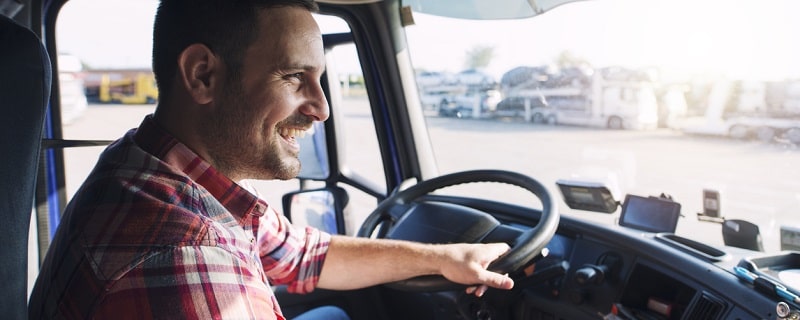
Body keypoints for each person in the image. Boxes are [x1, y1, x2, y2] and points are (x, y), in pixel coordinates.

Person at [28, 0, 515, 319]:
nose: (321, 107)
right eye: (294, 77)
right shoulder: (189, 263)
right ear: (202, 76)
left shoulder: (155, 165)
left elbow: (303, 254)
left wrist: (451, 257)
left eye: (320, 79)